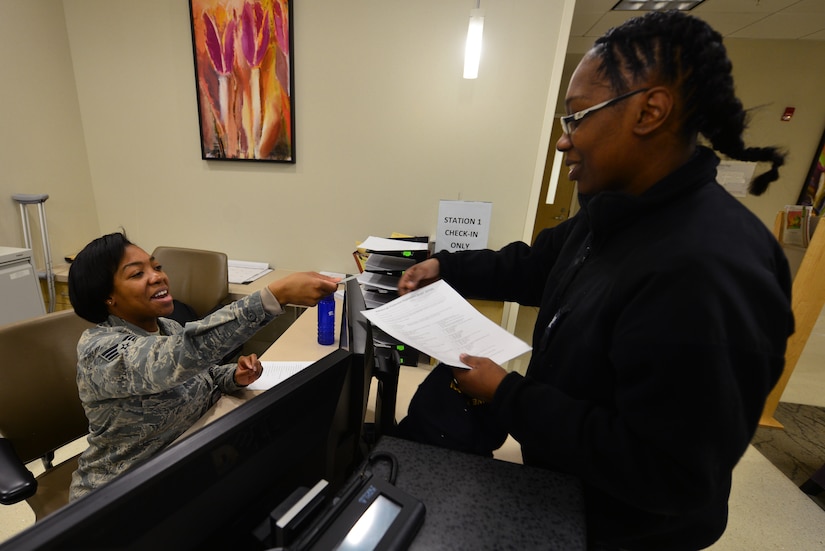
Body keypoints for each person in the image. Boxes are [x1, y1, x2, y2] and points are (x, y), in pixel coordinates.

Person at [397, 11, 793, 551]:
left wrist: (508, 394)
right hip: (567, 492)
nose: (564, 142)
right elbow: (538, 266)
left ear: (650, 110)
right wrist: (449, 267)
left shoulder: (709, 269)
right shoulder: (618, 210)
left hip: (626, 530)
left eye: (577, 118)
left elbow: (669, 471)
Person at [67, 232, 339, 500]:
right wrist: (274, 296)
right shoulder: (101, 351)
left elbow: (201, 375)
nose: (157, 276)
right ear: (107, 297)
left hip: (186, 461)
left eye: (157, 267)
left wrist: (233, 375)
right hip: (121, 492)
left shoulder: (167, 327)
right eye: (137, 274)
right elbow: (179, 356)